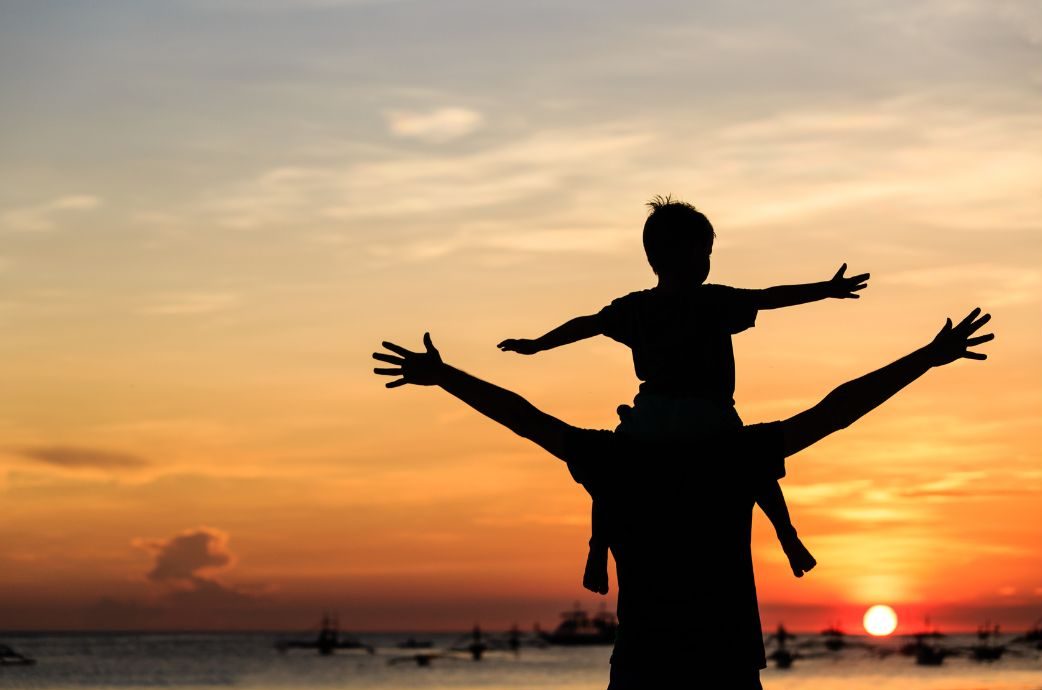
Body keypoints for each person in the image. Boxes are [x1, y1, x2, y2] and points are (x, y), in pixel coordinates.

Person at [373, 308, 991, 688]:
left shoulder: (615, 459)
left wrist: (446, 377)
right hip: (722, 662)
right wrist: (927, 359)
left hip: (644, 663)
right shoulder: (733, 455)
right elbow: (836, 410)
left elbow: (524, 417)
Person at [498, 195, 870, 592]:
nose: (708, 263)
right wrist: (825, 289)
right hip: (709, 415)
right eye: (705, 253)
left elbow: (584, 325)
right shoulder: (712, 300)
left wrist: (537, 345)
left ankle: (597, 549)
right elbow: (769, 296)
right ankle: (788, 537)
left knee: (608, 473)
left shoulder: (636, 307)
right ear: (687, 254)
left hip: (651, 417)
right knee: (756, 462)